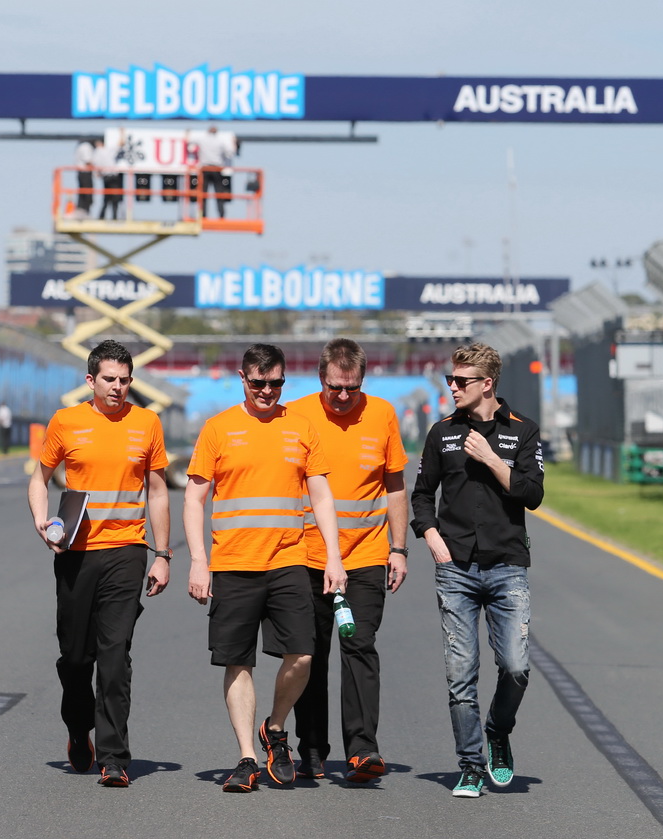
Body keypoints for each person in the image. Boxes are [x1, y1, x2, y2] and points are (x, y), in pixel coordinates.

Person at [184, 343, 347, 792]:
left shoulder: (302, 427)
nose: (267, 391)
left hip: (288, 559)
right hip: (233, 563)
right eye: (259, 383)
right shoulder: (218, 430)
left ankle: (275, 728)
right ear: (242, 379)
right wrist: (199, 561)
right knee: (237, 662)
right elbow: (194, 498)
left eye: (276, 383)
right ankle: (246, 758)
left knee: (304, 653)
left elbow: (321, 496)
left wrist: (333, 556)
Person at [27, 339, 171, 788]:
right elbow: (40, 479)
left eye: (126, 380)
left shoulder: (147, 422)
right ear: (91, 380)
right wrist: (41, 521)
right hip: (75, 554)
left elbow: (160, 491)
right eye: (110, 379)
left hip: (127, 551)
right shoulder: (66, 421)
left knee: (114, 656)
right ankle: (77, 728)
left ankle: (114, 756)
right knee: (75, 658)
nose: (118, 388)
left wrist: (163, 555)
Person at [410, 342, 544, 798]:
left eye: (461, 381)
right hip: (456, 568)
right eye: (451, 379)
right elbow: (422, 494)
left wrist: (490, 457)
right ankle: (470, 765)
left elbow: (532, 494)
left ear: (487, 384)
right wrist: (431, 538)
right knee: (460, 672)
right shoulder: (441, 432)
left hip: (508, 565)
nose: (452, 386)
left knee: (516, 666)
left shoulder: (523, 431)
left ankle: (498, 731)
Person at [287, 338, 409, 784]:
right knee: (310, 653)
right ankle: (313, 749)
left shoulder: (382, 415)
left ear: (363, 382)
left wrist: (398, 548)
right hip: (306, 555)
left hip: (367, 554)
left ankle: (363, 749)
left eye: (351, 389)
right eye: (336, 388)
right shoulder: (296, 415)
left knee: (359, 645)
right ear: (321, 379)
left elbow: (394, 485)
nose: (343, 397)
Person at [194, 126, 235, 219]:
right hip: (217, 169)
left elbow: (189, 141)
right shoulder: (221, 141)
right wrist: (233, 142)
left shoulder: (202, 139)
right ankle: (221, 214)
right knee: (219, 192)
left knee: (203, 193)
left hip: (205, 169)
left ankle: (203, 214)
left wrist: (187, 133)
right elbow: (230, 152)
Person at [94, 137, 124, 221]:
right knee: (115, 198)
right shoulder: (107, 150)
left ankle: (101, 216)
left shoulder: (96, 152)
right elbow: (121, 143)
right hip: (113, 176)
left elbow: (96, 167)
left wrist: (98, 173)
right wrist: (122, 133)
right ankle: (114, 217)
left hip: (105, 177)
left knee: (106, 198)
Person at [74, 137, 95, 218]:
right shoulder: (86, 147)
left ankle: (82, 209)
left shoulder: (80, 147)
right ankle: (85, 210)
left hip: (81, 173)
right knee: (87, 193)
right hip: (85, 173)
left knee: (82, 192)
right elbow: (88, 160)